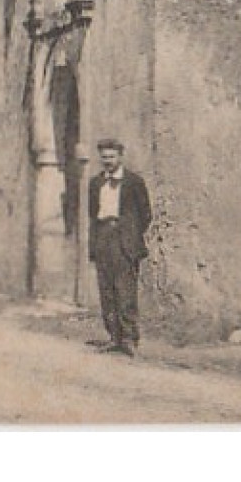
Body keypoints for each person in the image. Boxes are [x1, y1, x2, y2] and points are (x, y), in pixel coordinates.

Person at [87, 139, 151, 356]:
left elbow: (145, 214)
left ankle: (129, 338)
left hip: (124, 241)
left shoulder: (134, 182)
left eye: (111, 157)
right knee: (107, 291)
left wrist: (130, 236)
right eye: (104, 157)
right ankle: (113, 337)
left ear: (120, 157)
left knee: (125, 291)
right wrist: (95, 244)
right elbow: (92, 215)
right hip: (103, 237)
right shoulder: (95, 184)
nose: (108, 161)